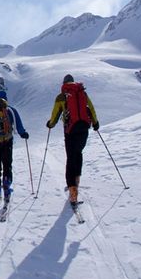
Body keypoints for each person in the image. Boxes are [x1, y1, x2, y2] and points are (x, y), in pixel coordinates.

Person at [46, 74, 100, 206]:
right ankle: (76, 181)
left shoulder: (62, 96)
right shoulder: (82, 93)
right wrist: (95, 123)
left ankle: (72, 190)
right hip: (84, 128)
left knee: (71, 158)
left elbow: (55, 114)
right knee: (78, 154)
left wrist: (50, 124)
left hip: (70, 131)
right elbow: (91, 108)